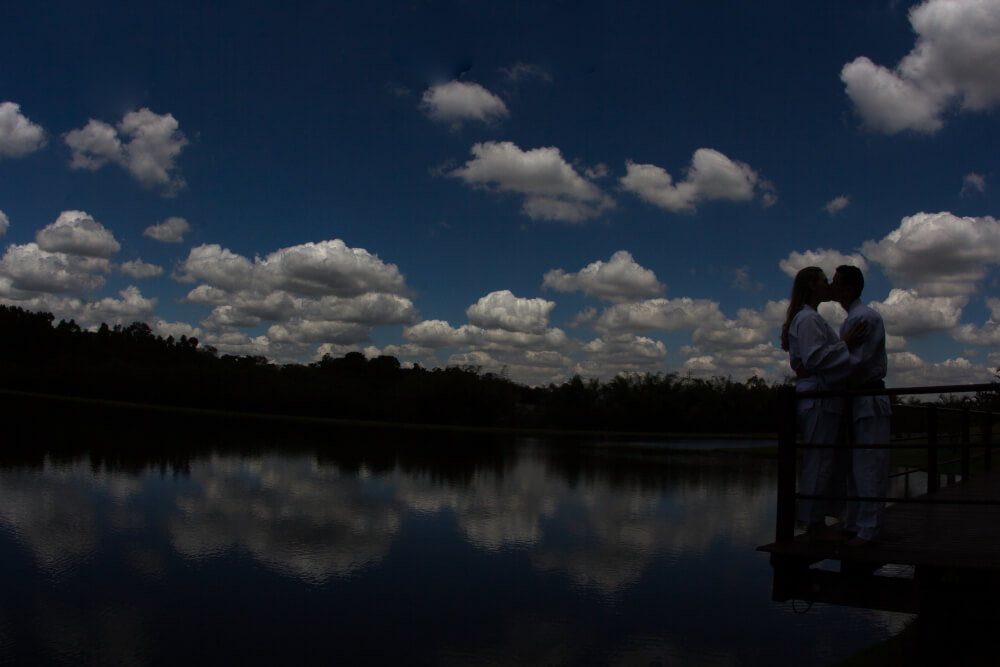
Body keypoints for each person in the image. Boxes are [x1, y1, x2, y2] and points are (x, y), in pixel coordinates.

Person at [780, 267, 862, 539]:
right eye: (824, 281)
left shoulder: (809, 318)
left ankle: (816, 519)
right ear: (812, 286)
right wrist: (845, 345)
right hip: (818, 399)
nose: (828, 285)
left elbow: (809, 362)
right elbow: (814, 359)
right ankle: (814, 522)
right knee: (819, 460)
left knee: (825, 459)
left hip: (821, 396)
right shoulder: (808, 319)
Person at [831, 264, 891, 547]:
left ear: (850, 288)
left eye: (836, 282)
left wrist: (827, 371)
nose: (832, 287)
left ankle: (869, 527)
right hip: (855, 399)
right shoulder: (852, 319)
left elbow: (856, 362)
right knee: (856, 465)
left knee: (869, 464)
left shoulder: (865, 318)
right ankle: (855, 522)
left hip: (867, 398)